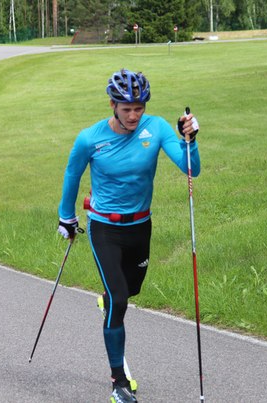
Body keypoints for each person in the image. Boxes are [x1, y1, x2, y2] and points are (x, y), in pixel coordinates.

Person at [57, 68, 200, 403]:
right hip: (104, 227)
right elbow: (72, 174)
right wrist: (66, 216)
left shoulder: (157, 127)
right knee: (119, 300)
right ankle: (118, 382)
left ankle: (109, 302)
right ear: (112, 105)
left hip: (140, 226)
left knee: (130, 290)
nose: (134, 115)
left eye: (139, 107)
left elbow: (191, 168)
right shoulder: (89, 139)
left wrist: (190, 140)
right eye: (127, 108)